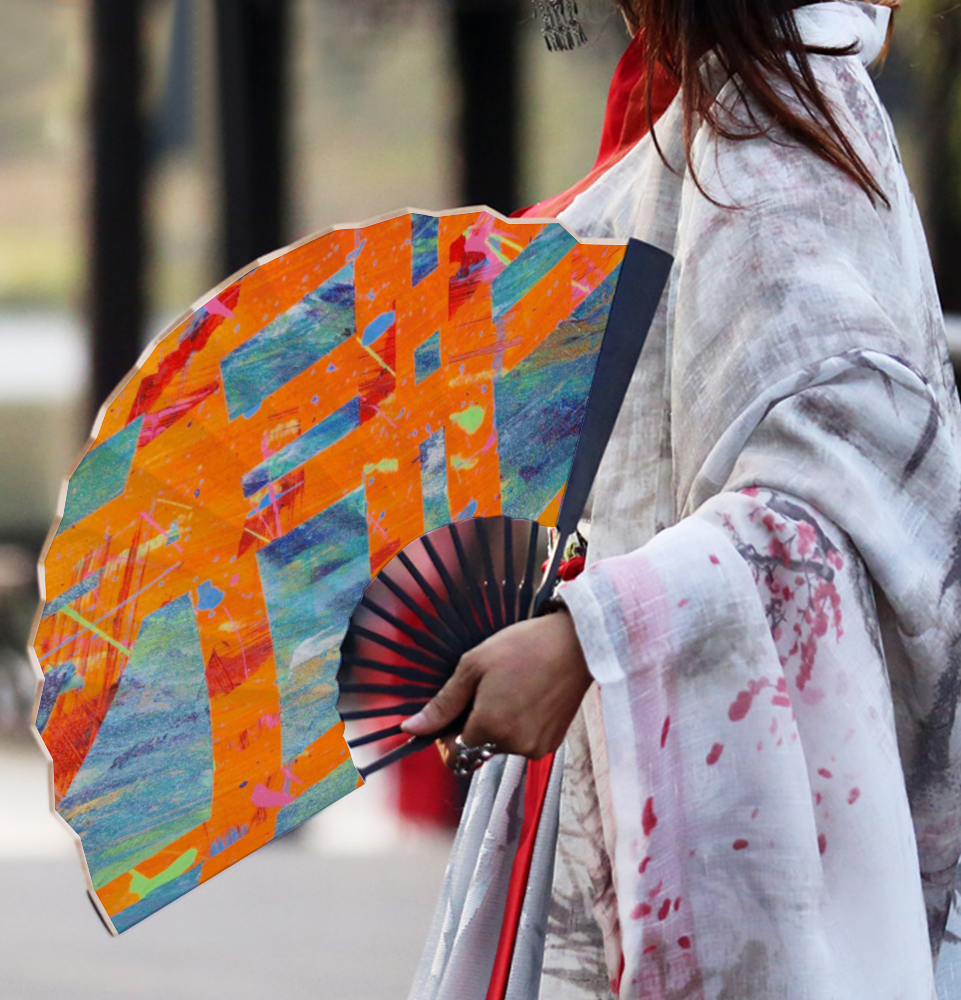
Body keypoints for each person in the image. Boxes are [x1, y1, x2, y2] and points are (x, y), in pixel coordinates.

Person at [401, 0, 961, 997]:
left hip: (730, 791)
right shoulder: (745, 110)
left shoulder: (771, 150)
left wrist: (587, 637)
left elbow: (828, 505)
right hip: (644, 744)